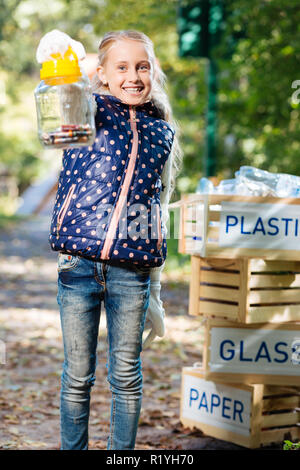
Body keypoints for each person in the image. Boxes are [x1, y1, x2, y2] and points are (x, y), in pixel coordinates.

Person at [48, 29, 182, 450]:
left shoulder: (163, 132)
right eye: (121, 67)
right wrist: (71, 65)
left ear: (153, 71)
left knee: (126, 375)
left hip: (133, 272)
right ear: (102, 74)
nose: (133, 76)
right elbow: (54, 115)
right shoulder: (85, 112)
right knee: (77, 375)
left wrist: (156, 289)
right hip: (78, 266)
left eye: (142, 66)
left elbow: (155, 209)